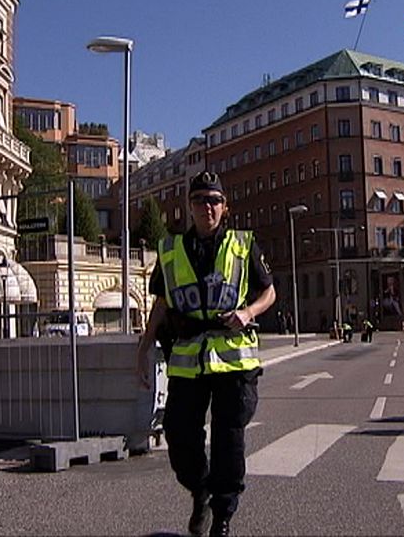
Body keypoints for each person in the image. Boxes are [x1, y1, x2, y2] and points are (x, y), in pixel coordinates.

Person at [137, 171, 276, 537]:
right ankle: (199, 490)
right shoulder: (169, 250)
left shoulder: (243, 245)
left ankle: (223, 516)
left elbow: (269, 293)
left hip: (234, 359)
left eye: (214, 200)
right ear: (190, 207)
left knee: (230, 439)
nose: (207, 207)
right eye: (200, 200)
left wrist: (247, 313)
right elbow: (162, 304)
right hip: (186, 358)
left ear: (224, 207)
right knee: (180, 436)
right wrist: (143, 347)